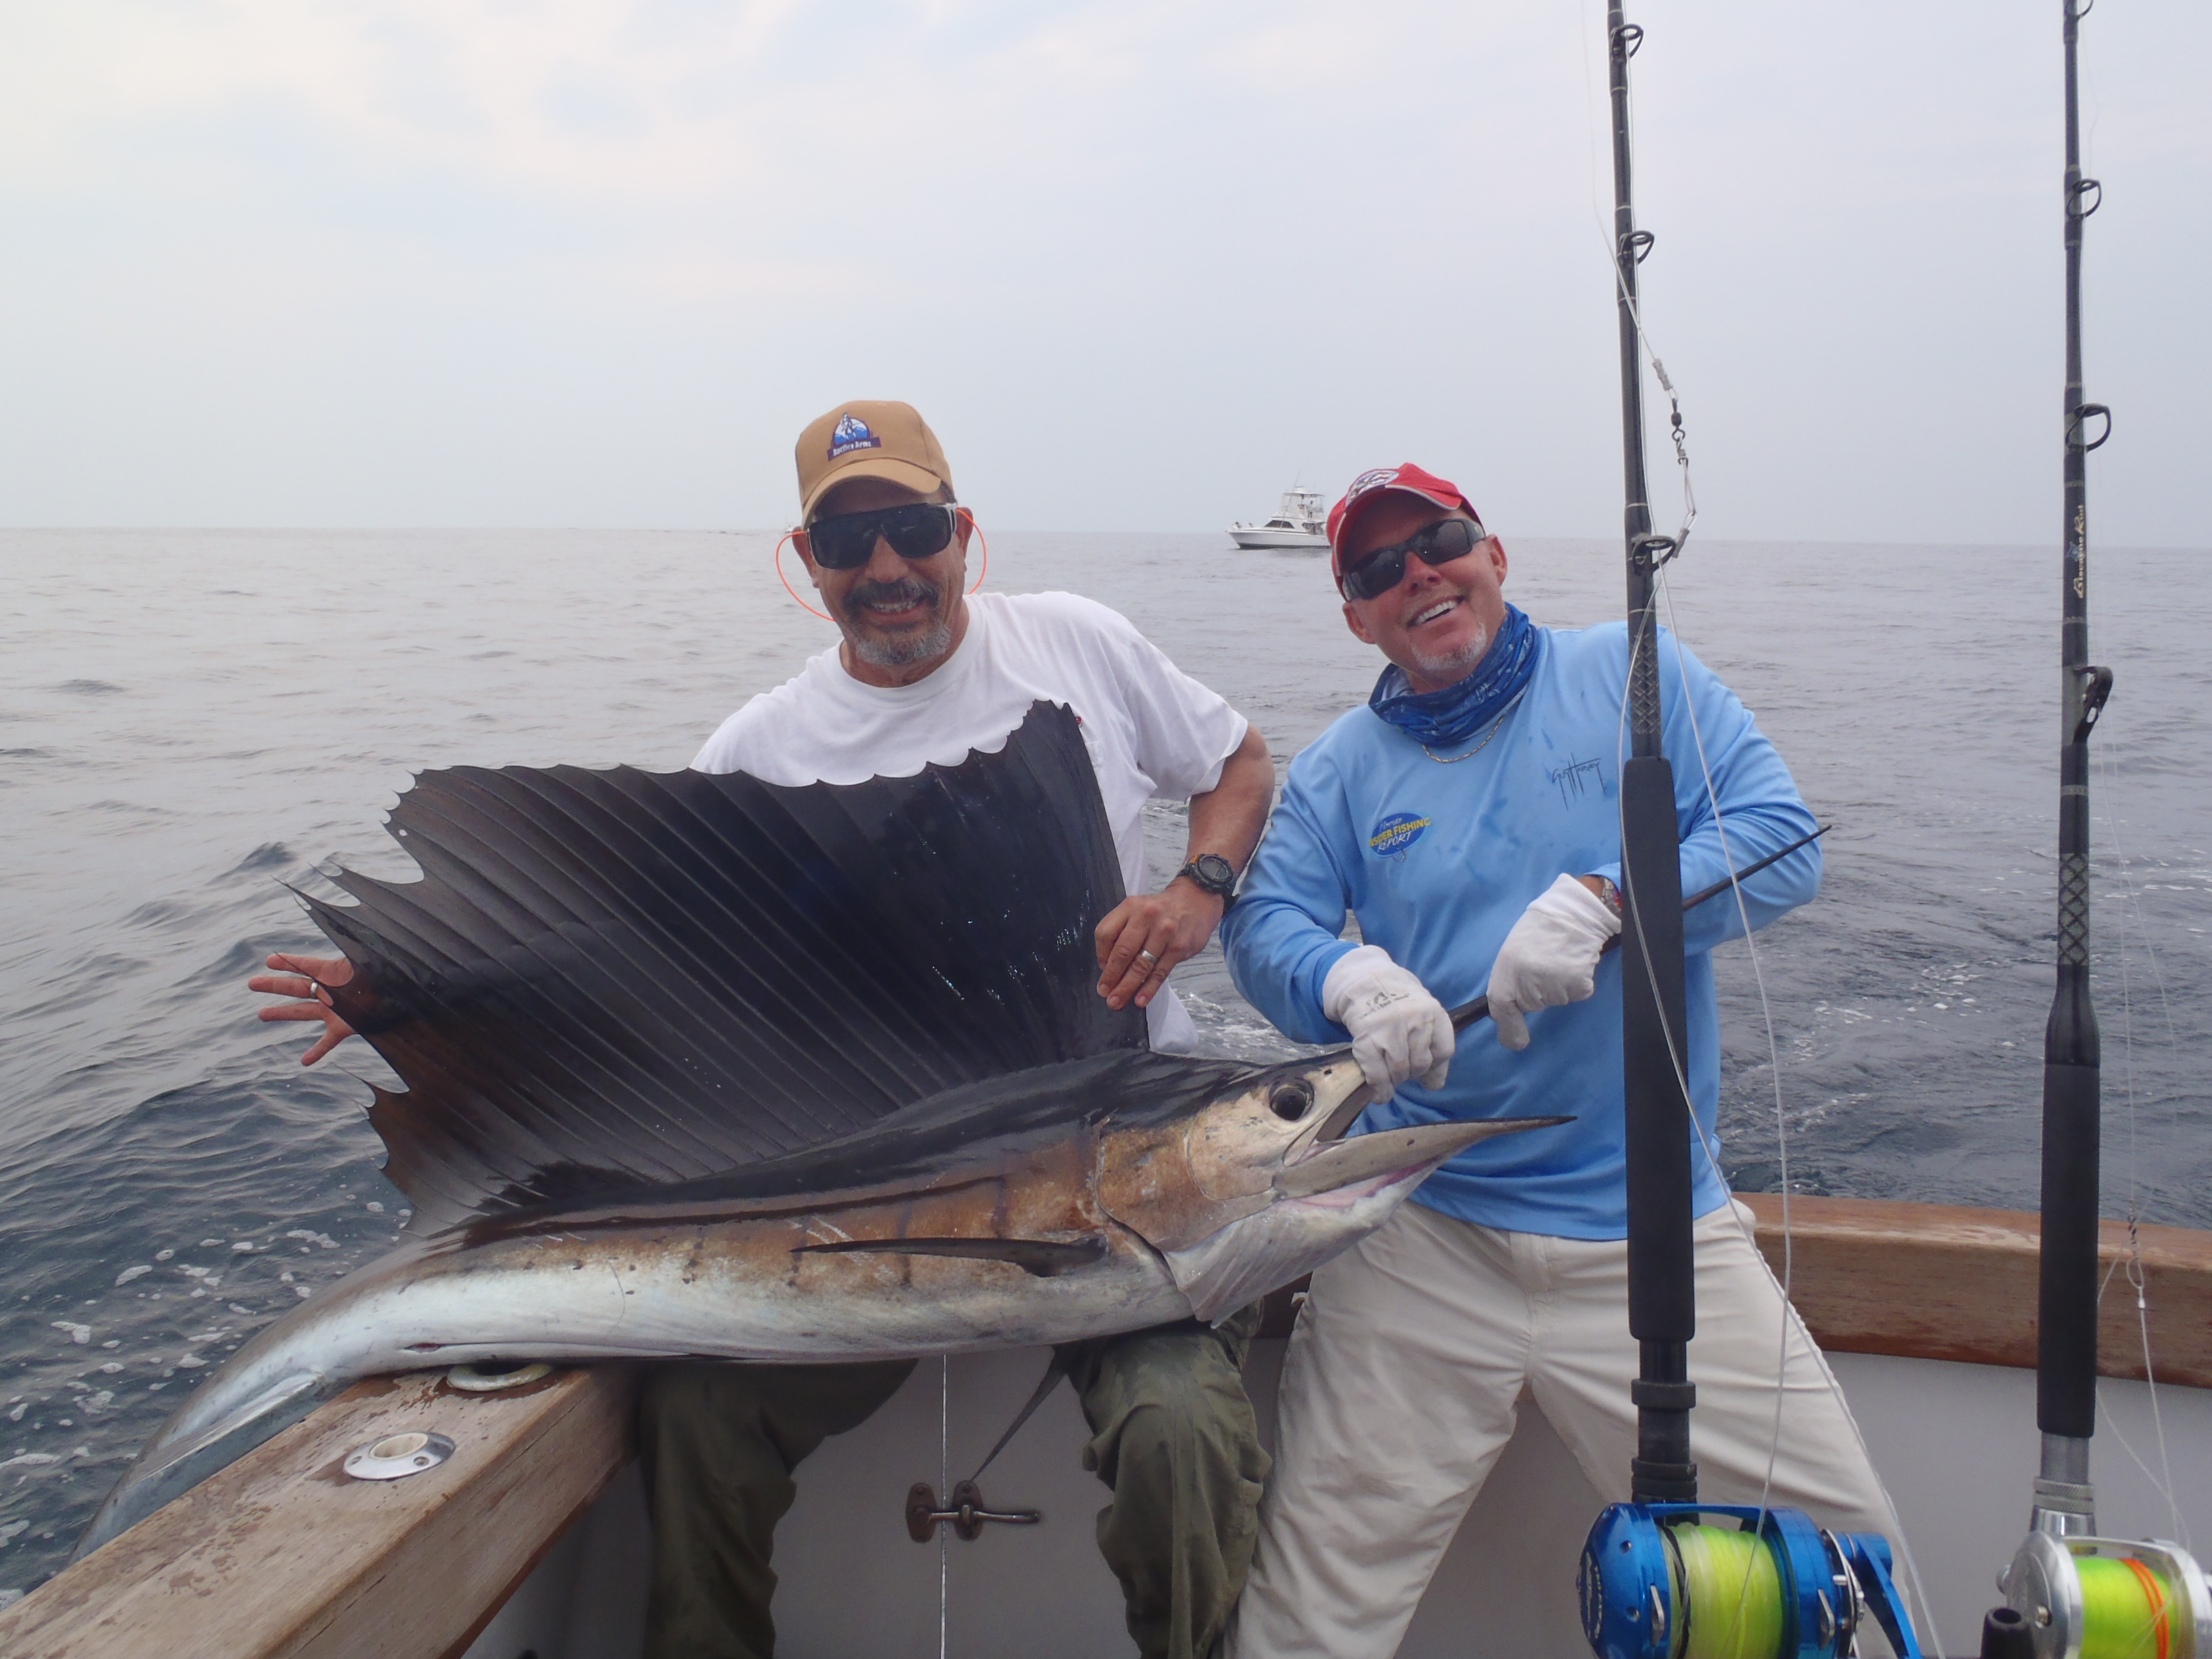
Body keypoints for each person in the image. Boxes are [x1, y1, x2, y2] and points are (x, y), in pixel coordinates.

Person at [249, 401, 1277, 1659]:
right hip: (865, 1204)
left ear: (964, 532)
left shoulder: (1080, 645)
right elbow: (650, 968)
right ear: (807, 563)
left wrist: (1197, 891)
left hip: (1126, 1170)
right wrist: (414, 992)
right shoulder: (763, 747)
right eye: (850, 546)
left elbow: (1239, 766)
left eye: (912, 529)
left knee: (1182, 1433)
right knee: (697, 1421)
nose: (887, 571)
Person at [1216, 464, 1897, 1658]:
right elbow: (1264, 926)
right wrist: (1348, 980)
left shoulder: (1632, 679)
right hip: (1422, 1226)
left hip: (1653, 1233)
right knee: (1309, 1618)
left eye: (1439, 540)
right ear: (1356, 616)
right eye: (1378, 569)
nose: (1417, 573)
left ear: (1493, 551)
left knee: (1842, 1570)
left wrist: (1614, 899)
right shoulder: (1339, 767)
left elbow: (1782, 838)